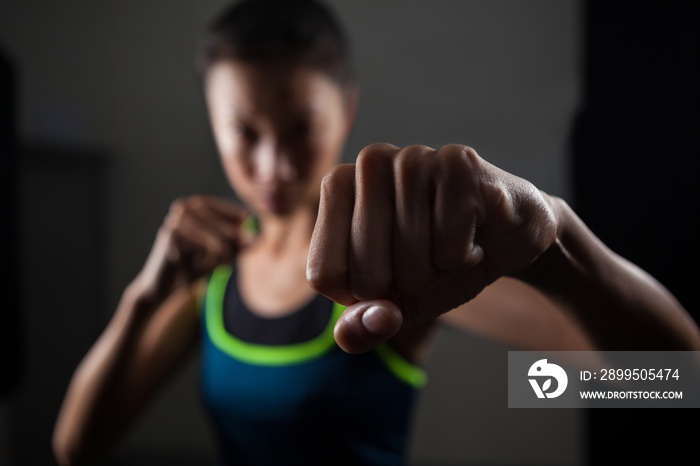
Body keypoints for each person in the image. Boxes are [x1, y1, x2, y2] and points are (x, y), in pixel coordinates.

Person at [51, 1, 700, 465]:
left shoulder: (392, 264)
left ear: (346, 109)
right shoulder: (213, 272)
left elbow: (669, 381)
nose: (273, 165)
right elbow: (75, 447)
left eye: (300, 128)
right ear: (214, 123)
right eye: (245, 133)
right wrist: (143, 295)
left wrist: (558, 243)